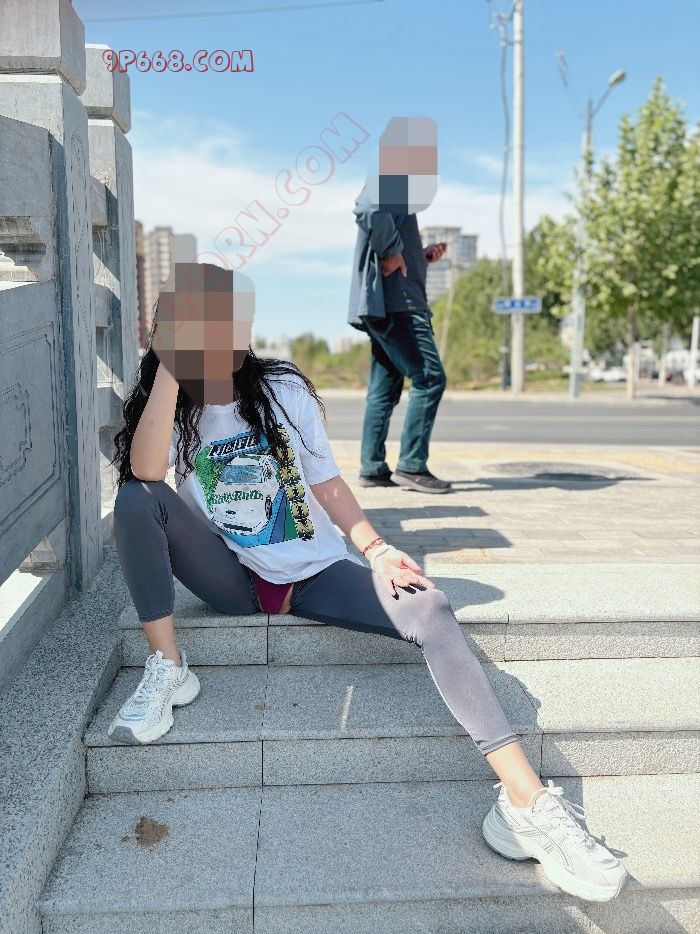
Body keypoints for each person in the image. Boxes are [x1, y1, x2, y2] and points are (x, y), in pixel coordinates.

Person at [109, 264, 627, 903]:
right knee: (135, 498)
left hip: (316, 574)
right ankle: (169, 667)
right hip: (232, 580)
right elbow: (147, 472)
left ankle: (526, 803)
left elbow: (326, 482)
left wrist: (376, 549)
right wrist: (170, 366)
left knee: (429, 607)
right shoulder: (169, 404)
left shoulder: (278, 388)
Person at [348, 117, 451, 493]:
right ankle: (412, 465)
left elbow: (381, 221)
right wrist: (393, 249)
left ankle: (373, 468)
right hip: (400, 305)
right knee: (430, 378)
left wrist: (419, 254)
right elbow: (366, 209)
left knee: (385, 387)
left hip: (388, 304)